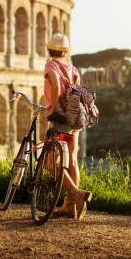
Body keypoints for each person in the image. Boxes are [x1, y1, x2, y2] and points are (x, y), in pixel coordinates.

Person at [43, 33, 92, 220]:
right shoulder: (73, 69)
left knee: (49, 162)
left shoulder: (51, 65)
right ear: (65, 51)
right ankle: (69, 206)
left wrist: (54, 106)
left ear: (49, 49)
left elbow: (55, 84)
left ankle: (76, 193)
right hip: (75, 118)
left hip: (61, 119)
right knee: (72, 160)